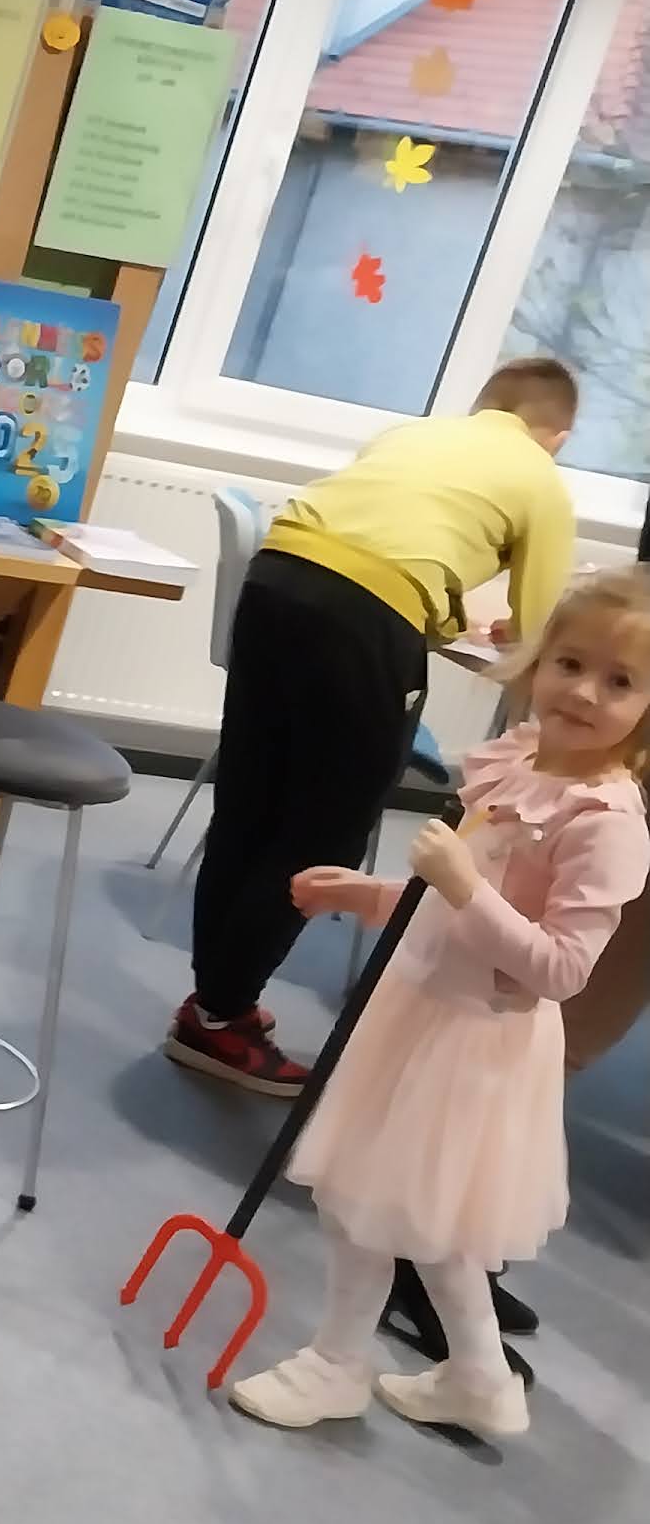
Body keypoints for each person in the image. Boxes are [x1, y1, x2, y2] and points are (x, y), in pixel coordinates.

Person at [227, 567, 650, 1442]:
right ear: (537, 661)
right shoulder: (520, 763)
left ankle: (337, 1364)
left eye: (619, 681)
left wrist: (459, 885)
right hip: (420, 1007)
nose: (582, 692)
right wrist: (372, 895)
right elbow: (449, 903)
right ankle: (479, 1379)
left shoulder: (606, 823)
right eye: (570, 663)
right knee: (420, 1213)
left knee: (369, 1200)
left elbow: (559, 970)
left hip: (474, 1041)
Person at [167, 360, 580, 1098]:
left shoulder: (411, 435)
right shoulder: (540, 478)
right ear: (557, 436)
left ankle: (214, 999)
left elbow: (385, 549)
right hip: (362, 620)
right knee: (323, 831)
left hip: (276, 578)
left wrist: (442, 615)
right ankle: (217, 1018)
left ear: (483, 408)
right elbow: (548, 630)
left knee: (249, 803)